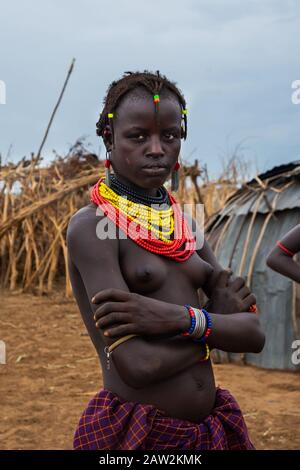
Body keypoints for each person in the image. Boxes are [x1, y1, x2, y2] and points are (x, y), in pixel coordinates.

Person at [66, 70, 265, 450]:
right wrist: (212, 322)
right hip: (139, 433)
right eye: (137, 136)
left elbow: (254, 334)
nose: (156, 149)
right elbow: (138, 365)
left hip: (211, 429)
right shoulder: (93, 228)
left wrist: (179, 318)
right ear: (109, 138)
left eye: (169, 136)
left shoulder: (186, 225)